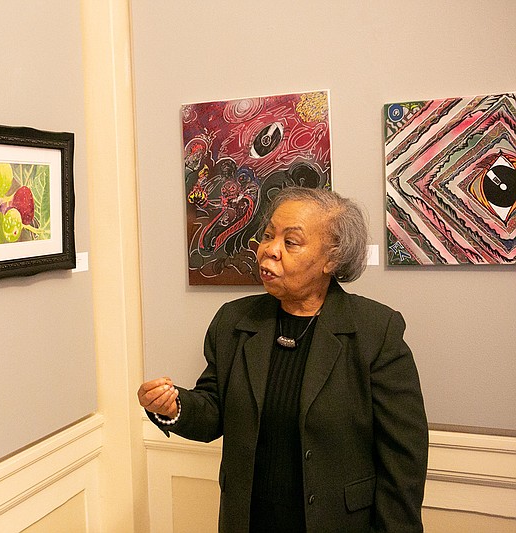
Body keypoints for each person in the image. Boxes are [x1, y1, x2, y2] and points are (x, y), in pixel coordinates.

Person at [138, 186, 428, 533]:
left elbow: (403, 459)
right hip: (250, 521)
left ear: (331, 259)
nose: (269, 251)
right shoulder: (233, 322)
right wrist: (174, 407)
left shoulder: (375, 331)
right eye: (268, 235)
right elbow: (214, 410)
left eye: (290, 242)